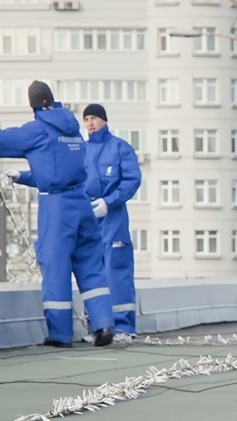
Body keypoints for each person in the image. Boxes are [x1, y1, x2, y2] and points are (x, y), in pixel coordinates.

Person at [0, 81, 114, 348]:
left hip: (57, 208)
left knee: (55, 266)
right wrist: (22, 176)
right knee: (90, 266)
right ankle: (103, 324)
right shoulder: (72, 130)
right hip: (81, 202)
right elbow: (55, 164)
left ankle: (60, 334)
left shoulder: (39, 128)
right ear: (51, 101)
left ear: (34, 106)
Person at [80, 103, 142, 339]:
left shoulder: (120, 148)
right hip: (88, 217)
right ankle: (98, 327)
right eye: (86, 120)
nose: (90, 123)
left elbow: (131, 180)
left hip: (113, 217)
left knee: (117, 270)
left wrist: (109, 201)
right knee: (91, 271)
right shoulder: (81, 150)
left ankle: (124, 327)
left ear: (104, 120)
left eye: (94, 118)